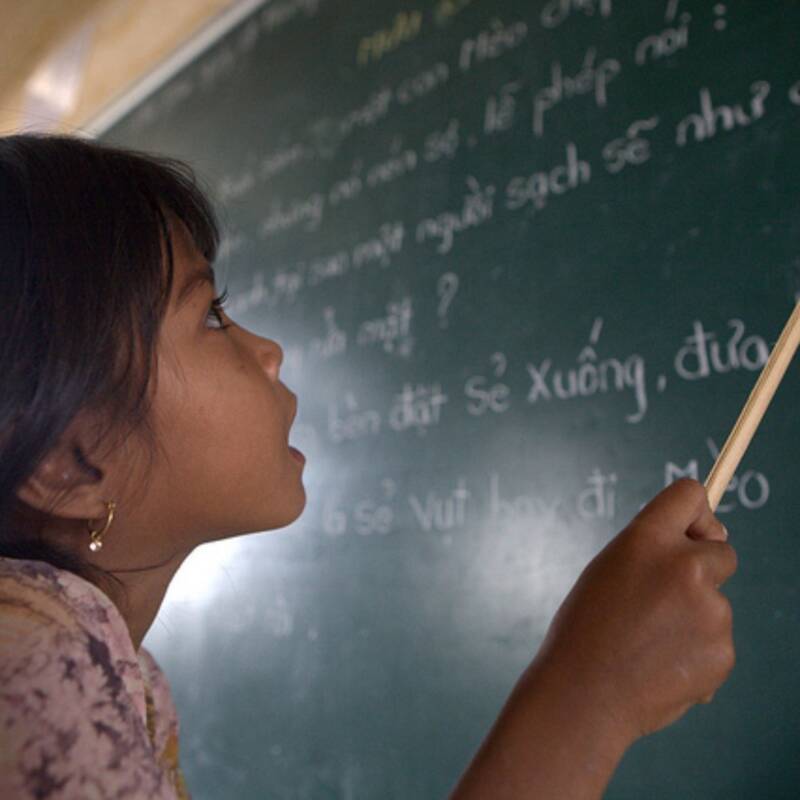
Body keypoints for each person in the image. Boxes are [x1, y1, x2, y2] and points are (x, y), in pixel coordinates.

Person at [0, 133, 736, 799]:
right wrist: (591, 696)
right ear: (70, 464)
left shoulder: (109, 667)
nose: (266, 351)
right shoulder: (29, 671)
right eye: (211, 316)